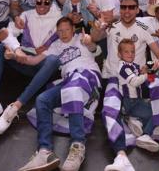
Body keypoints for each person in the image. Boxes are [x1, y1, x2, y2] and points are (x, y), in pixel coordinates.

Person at [102, 0, 159, 170]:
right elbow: (97, 32)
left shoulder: (144, 25)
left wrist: (157, 64)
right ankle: (120, 156)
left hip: (140, 75)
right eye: (124, 7)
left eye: (131, 7)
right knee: (109, 107)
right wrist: (99, 25)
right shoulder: (111, 26)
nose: (127, 11)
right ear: (120, 9)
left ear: (137, 9)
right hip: (115, 77)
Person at [0, 0, 62, 134]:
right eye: (39, 2)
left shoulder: (59, 18)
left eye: (46, 2)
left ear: (51, 3)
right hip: (23, 58)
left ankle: (15, 107)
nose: (42, 5)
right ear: (34, 1)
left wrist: (30, 58)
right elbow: (7, 33)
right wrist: (15, 50)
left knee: (54, 60)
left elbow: (59, 45)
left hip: (44, 64)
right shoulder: (26, 15)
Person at [15, 17, 100, 171]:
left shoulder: (80, 38)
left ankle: (78, 145)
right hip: (68, 81)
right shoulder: (55, 46)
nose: (63, 33)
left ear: (73, 29)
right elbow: (33, 61)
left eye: (67, 29)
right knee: (42, 100)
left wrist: (89, 42)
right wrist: (15, 54)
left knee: (72, 89)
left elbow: (94, 48)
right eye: (60, 31)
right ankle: (45, 151)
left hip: (87, 76)